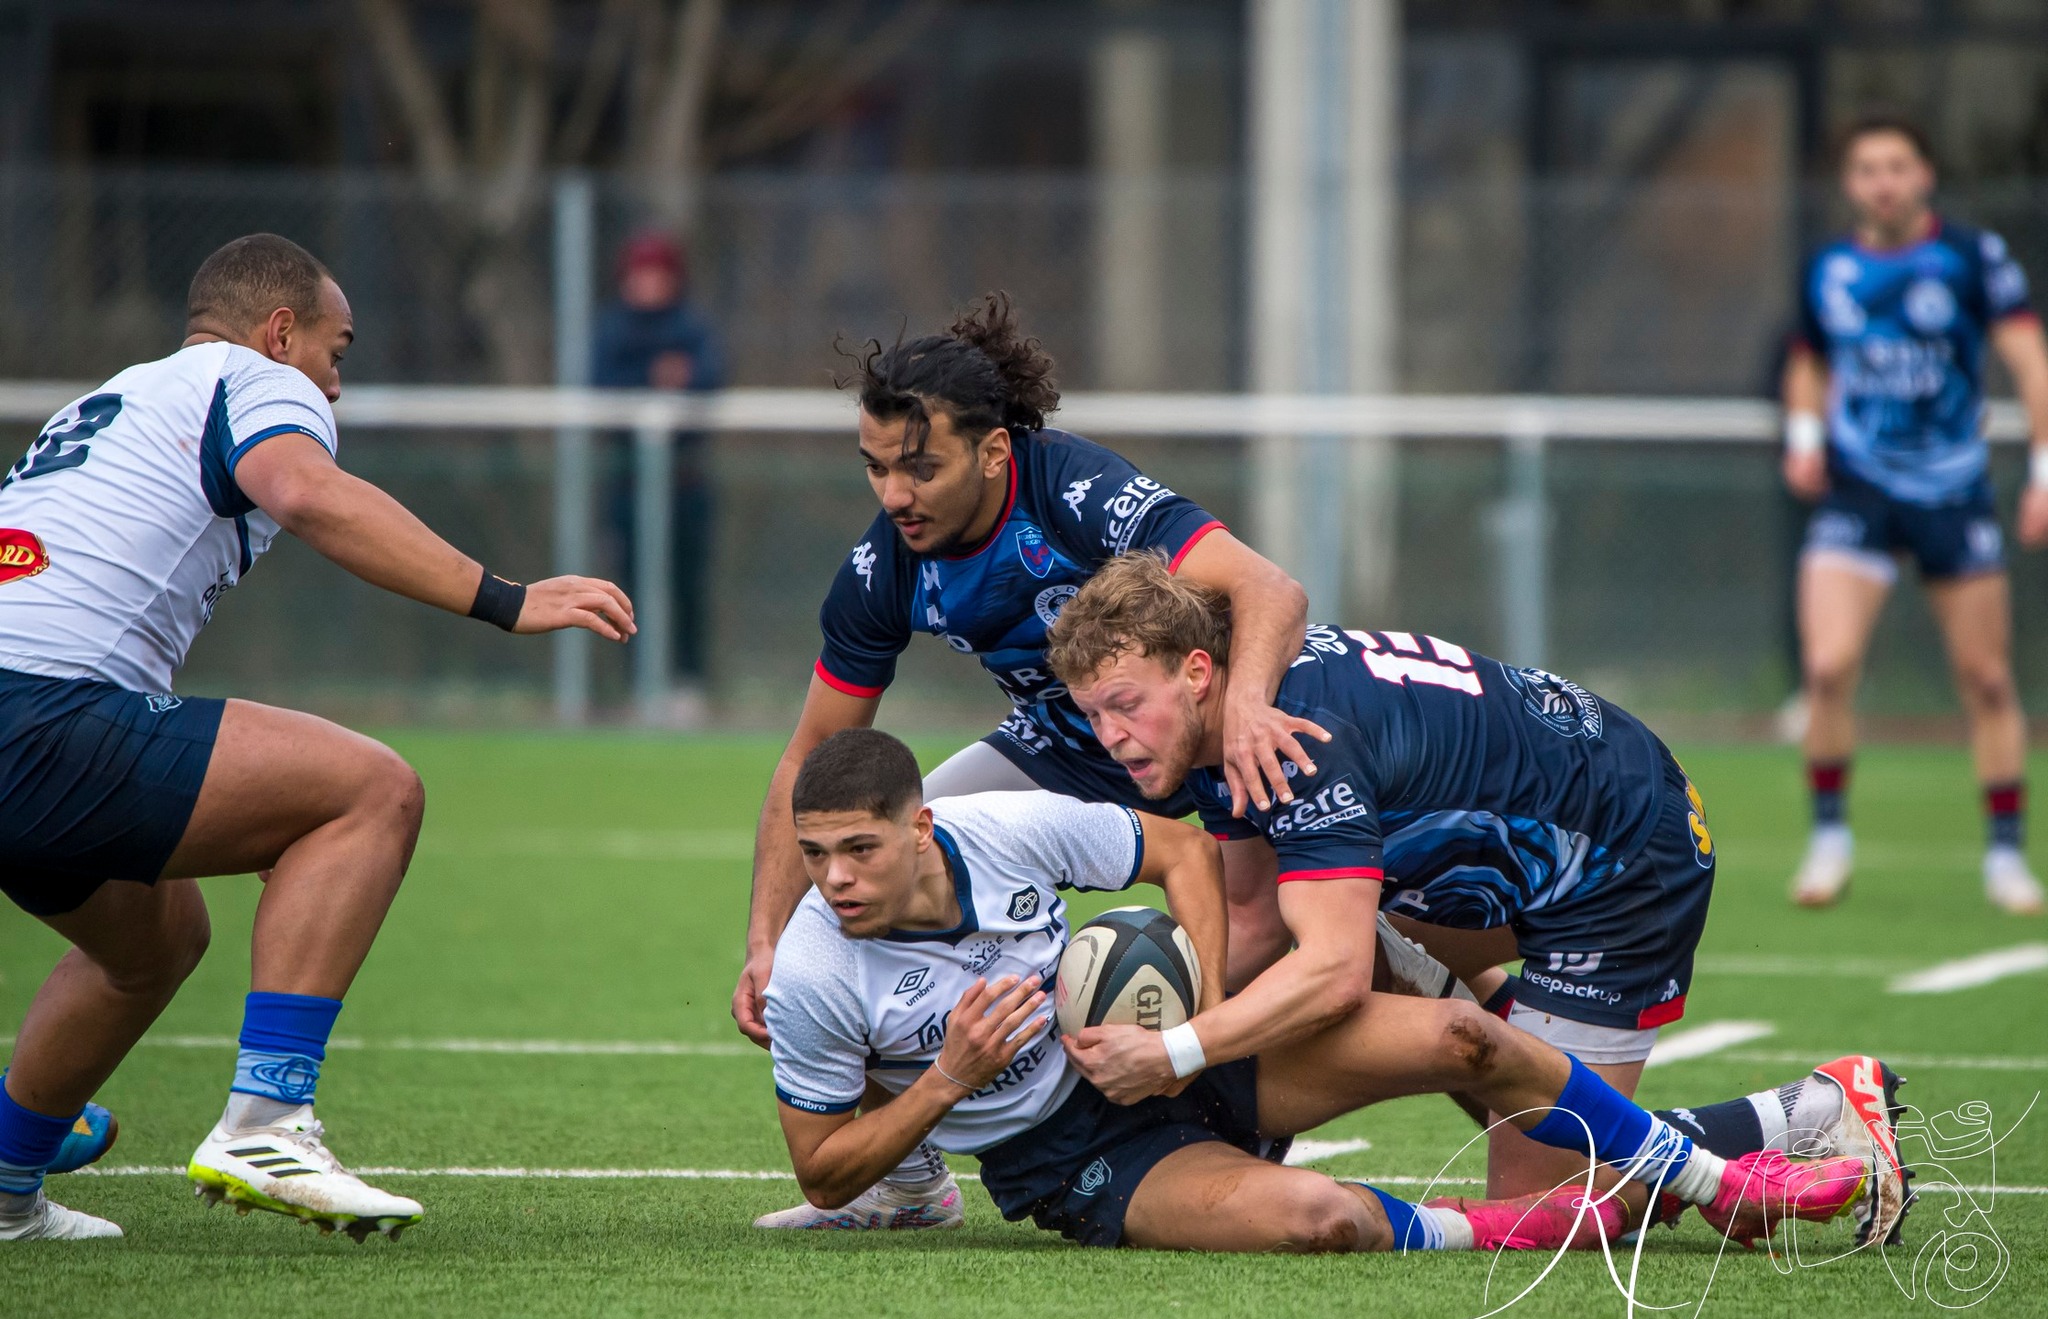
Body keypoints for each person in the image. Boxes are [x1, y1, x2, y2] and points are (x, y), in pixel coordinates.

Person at [0, 234, 635, 1241]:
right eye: (337, 355)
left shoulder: (117, 394)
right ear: (280, 330)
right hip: (39, 715)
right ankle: (268, 1118)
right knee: (369, 790)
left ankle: (4, 1182)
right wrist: (506, 599)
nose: (334, 388)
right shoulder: (256, 374)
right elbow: (306, 492)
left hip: (26, 723)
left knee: (156, 941)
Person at [1041, 553, 1910, 1244]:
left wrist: (1179, 1054)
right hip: (1553, 815)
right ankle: (1526, 1062)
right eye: (1094, 714)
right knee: (1352, 943)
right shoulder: (1238, 713)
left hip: (1618, 861)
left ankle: (1810, 1110)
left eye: (1125, 705)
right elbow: (1256, 921)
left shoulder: (1293, 743)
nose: (1112, 737)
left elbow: (1334, 974)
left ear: (1197, 673)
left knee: (1559, 1207)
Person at [764, 729, 1877, 1253]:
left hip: (1187, 1057)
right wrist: (948, 1077)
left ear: (920, 825)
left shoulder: (998, 832)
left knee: (1458, 1036)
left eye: (857, 849)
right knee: (1322, 1220)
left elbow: (1181, 855)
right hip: (1071, 1153)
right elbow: (821, 1166)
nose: (835, 880)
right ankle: (1762, 1129)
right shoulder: (817, 969)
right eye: (815, 856)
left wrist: (1192, 1016)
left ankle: (1720, 1177)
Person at [740, 294, 1318, 1229]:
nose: (894, 495)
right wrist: (768, 940)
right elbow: (815, 753)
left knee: (1288, 924)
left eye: (919, 467)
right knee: (868, 878)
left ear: (994, 454)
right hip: (1059, 750)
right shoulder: (884, 565)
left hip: (1192, 738)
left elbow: (1269, 589)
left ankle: (1236, 1091)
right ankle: (909, 1183)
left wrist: (1245, 712)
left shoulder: (1074, 493)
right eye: (878, 468)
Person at [1782, 114, 2048, 914]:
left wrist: (2043, 472)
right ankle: (1830, 835)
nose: (1884, 182)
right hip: (1858, 491)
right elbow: (1808, 360)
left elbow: (2030, 363)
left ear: (1925, 174)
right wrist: (1803, 435)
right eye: (1868, 169)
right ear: (1850, 184)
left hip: (1953, 491)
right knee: (1827, 667)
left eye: (1898, 165)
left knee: (1988, 678)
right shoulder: (1828, 268)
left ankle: (2005, 854)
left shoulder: (1971, 258)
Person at [593, 232, 725, 725]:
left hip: (684, 485)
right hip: (628, 486)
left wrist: (681, 380)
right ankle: (638, 686)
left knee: (688, 585)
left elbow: (708, 379)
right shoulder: (612, 329)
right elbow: (604, 388)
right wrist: (657, 378)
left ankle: (687, 684)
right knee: (628, 587)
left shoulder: (692, 326)